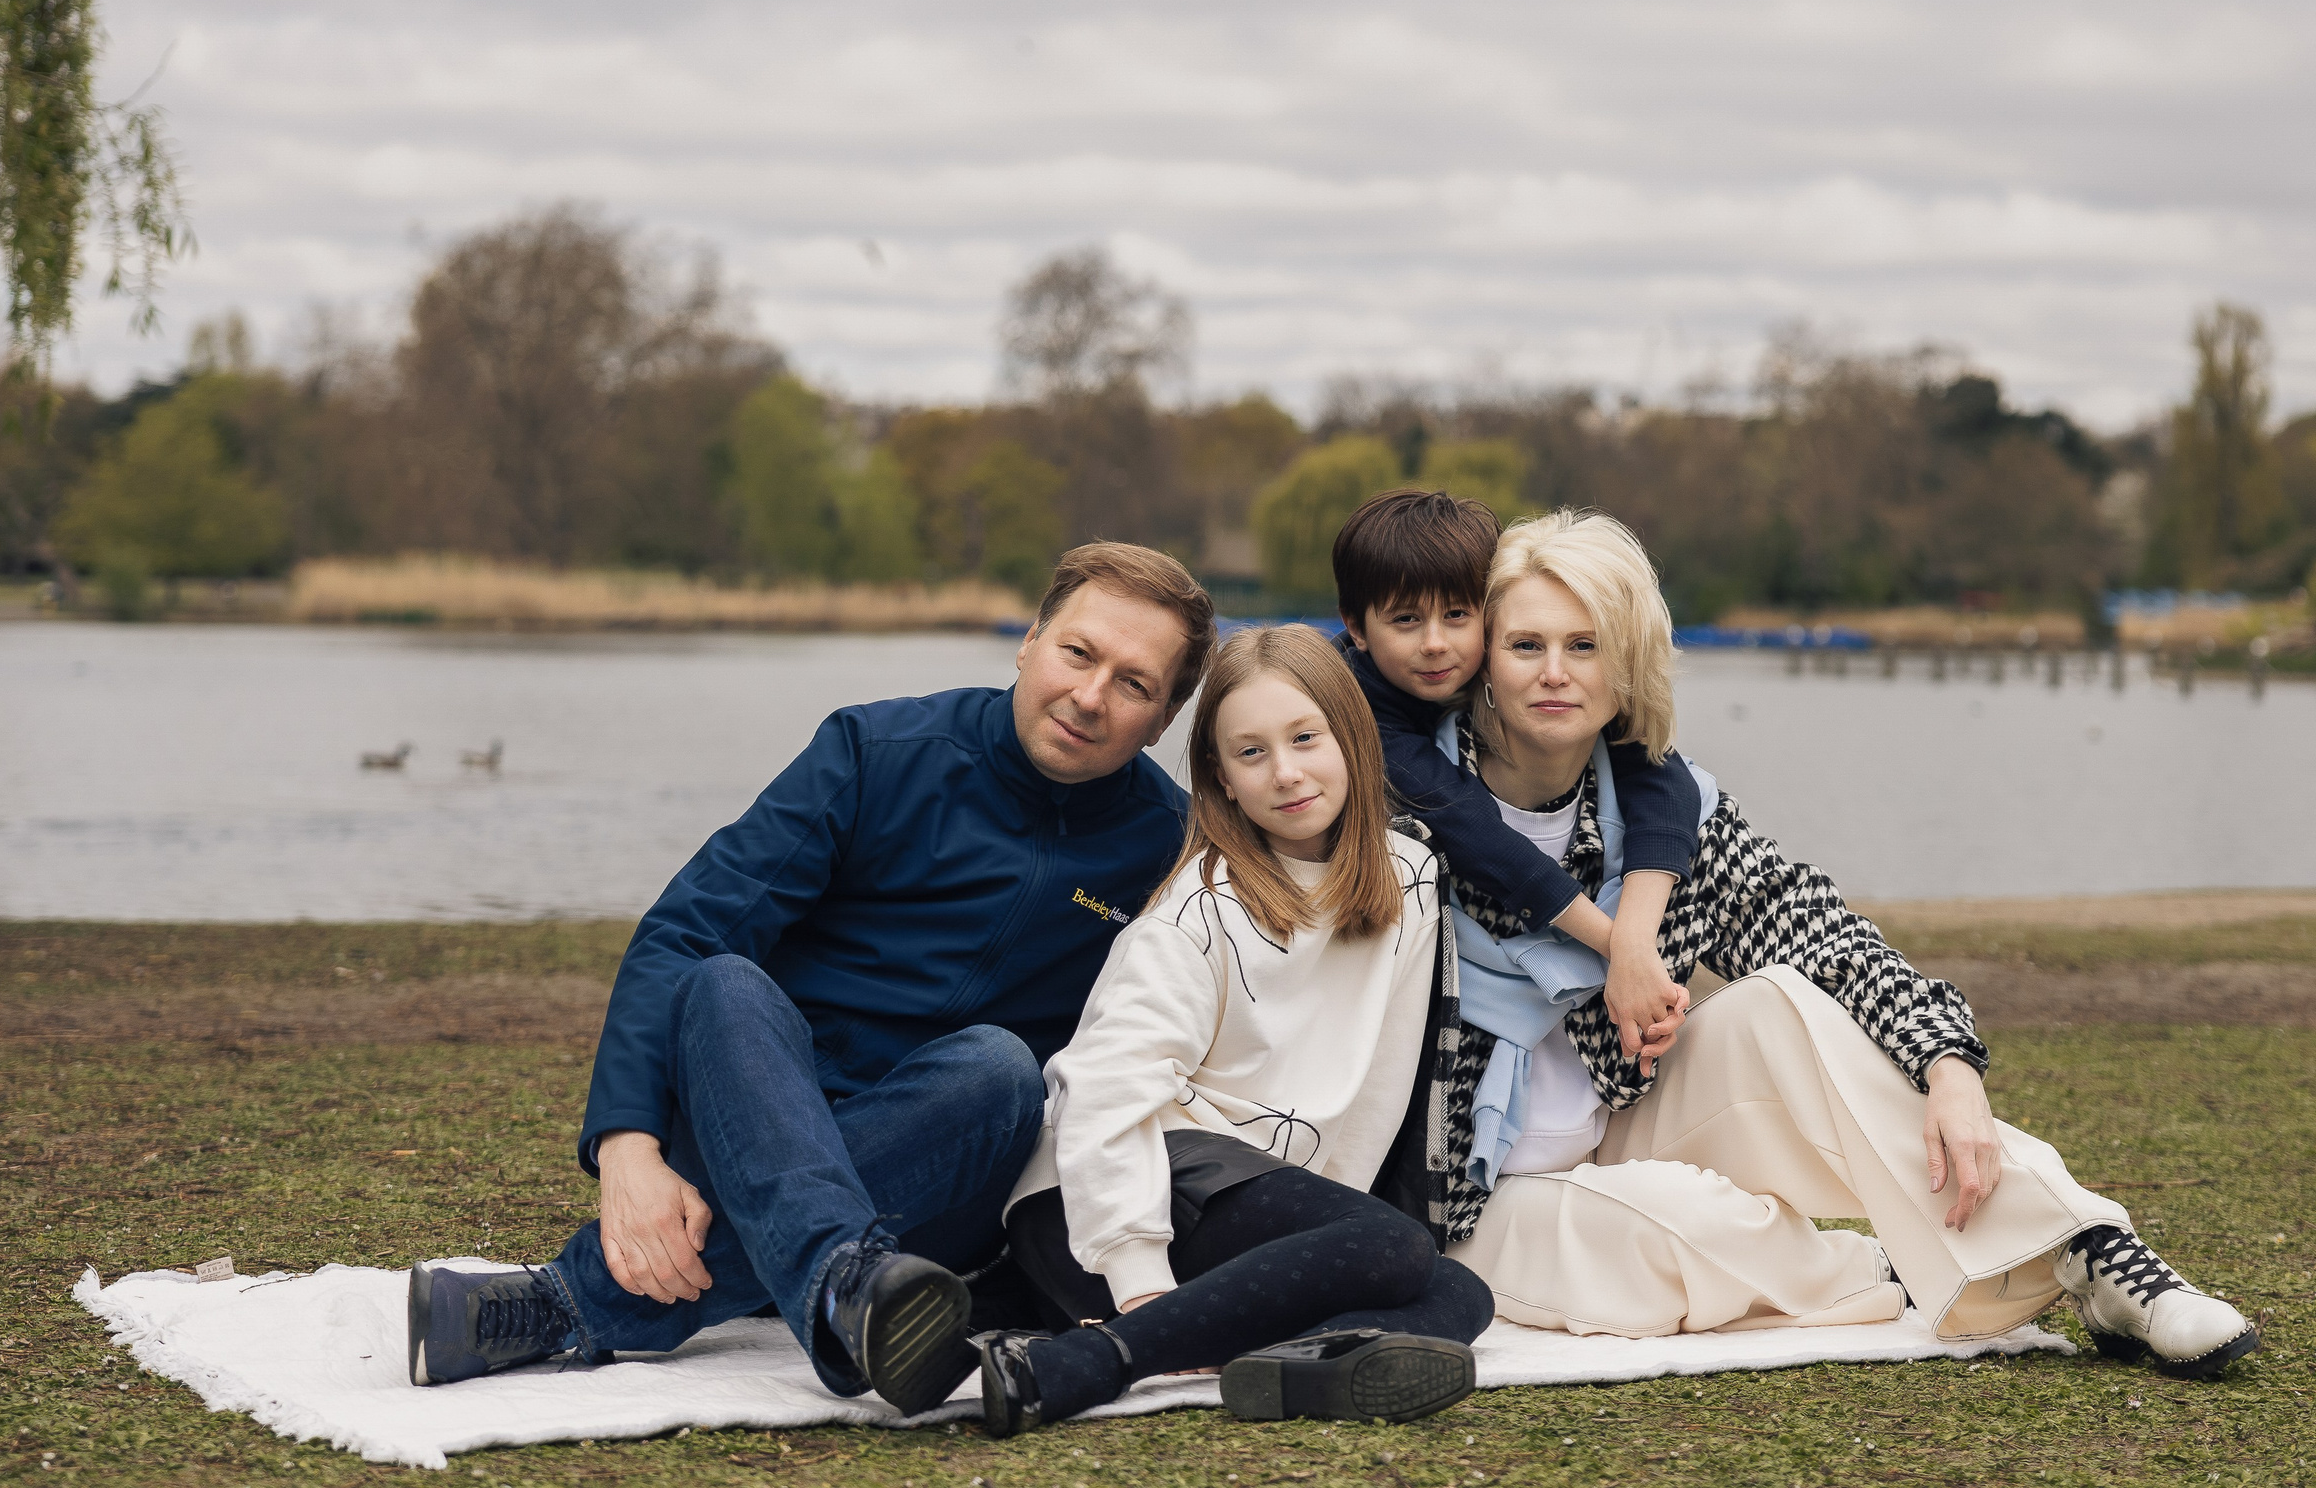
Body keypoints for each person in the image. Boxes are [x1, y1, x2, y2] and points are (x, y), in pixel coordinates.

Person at [1378, 508, 2259, 1379]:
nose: (1554, 672)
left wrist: (1949, 1063)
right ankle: (1892, 1269)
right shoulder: (1402, 814)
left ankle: (2089, 1249)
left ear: (1629, 661)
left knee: (1782, 1003)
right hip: (1468, 1197)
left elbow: (1814, 929)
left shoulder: (1665, 810)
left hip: (1622, 1115)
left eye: (1586, 645)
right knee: (1673, 1223)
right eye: (1526, 644)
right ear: (1485, 657)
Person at [405, 543, 1217, 1413]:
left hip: (941, 1179)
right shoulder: (876, 750)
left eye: (1134, 684)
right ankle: (846, 1290)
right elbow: (682, 934)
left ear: (1164, 718)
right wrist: (627, 1145)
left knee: (999, 1066)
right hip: (748, 1125)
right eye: (1078, 653)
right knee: (724, 981)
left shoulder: (1171, 856)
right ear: (1029, 641)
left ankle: (566, 1302)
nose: (1090, 696)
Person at [974, 625, 1493, 1436]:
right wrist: (1139, 1275)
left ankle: (1289, 1366)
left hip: (1249, 1216)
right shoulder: (1200, 908)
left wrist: (1329, 1243)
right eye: (1251, 752)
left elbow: (1375, 1089)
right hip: (1109, 1198)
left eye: (1305, 738)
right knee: (1391, 1248)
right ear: (1223, 777)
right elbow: (1105, 1089)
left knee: (1458, 1292)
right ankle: (1093, 1360)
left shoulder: (1410, 877)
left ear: (1353, 738)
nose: (1285, 772)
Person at [1330, 489, 1697, 1078]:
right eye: (1405, 619)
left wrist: (1636, 940)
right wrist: (1622, 950)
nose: (1435, 642)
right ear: (1356, 627)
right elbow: (1475, 832)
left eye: (1457, 615)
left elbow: (1661, 773)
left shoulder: (1476, 676)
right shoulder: (1354, 708)